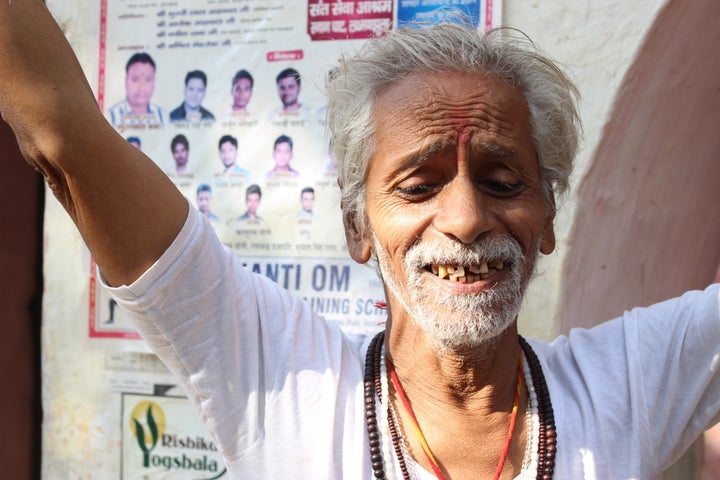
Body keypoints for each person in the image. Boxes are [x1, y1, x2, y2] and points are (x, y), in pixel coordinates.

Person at [2, 4, 719, 479]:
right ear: (357, 226)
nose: (466, 218)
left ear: (549, 220)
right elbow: (62, 136)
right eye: (418, 185)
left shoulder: (625, 384)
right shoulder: (284, 382)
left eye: (503, 180)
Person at [108, 52, 166, 128]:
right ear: (126, 82)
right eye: (135, 79)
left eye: (148, 80)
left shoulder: (163, 116)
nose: (142, 88)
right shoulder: (110, 116)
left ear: (154, 83)